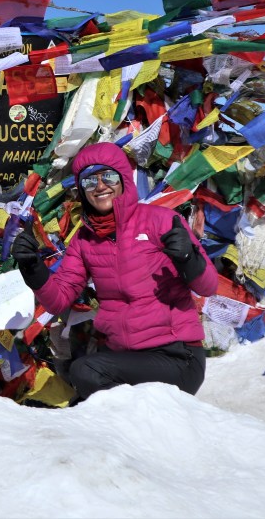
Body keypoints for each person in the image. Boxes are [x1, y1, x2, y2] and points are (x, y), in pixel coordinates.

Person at [12, 142, 217, 400]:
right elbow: (58, 300)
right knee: (86, 381)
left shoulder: (160, 221)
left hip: (176, 356)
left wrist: (189, 258)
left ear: (123, 180)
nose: (100, 186)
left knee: (87, 371)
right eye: (89, 181)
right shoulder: (84, 241)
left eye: (108, 176)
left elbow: (208, 286)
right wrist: (32, 267)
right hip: (123, 358)